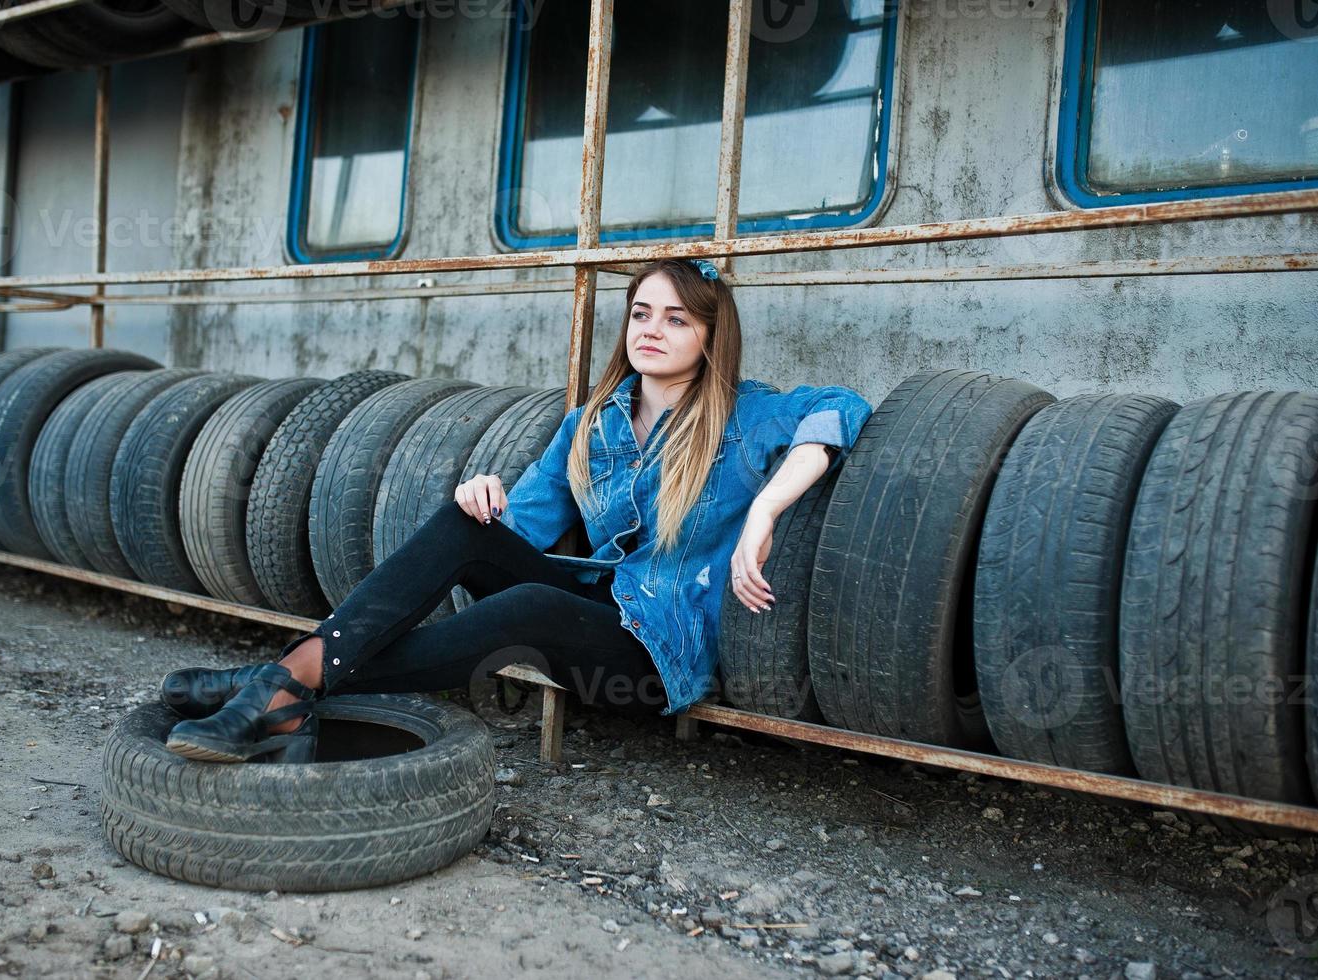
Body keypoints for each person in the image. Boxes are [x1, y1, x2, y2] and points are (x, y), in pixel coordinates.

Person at [159, 257, 873, 764]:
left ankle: (270, 683)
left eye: (676, 319)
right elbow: (520, 530)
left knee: (530, 604)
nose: (650, 329)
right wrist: (482, 501)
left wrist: (765, 511)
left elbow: (841, 408)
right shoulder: (588, 425)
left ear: (709, 336)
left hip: (652, 650)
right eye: (640, 313)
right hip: (594, 600)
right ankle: (283, 689)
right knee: (460, 525)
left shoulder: (745, 418)